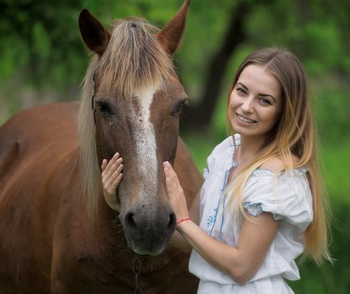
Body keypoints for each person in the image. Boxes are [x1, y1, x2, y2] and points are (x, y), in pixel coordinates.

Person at [101, 47, 332, 293]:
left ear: (285, 111)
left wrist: (183, 219)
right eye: (242, 91)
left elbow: (242, 267)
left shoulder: (275, 178)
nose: (246, 106)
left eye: (264, 100)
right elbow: (192, 240)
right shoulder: (225, 154)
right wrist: (118, 205)